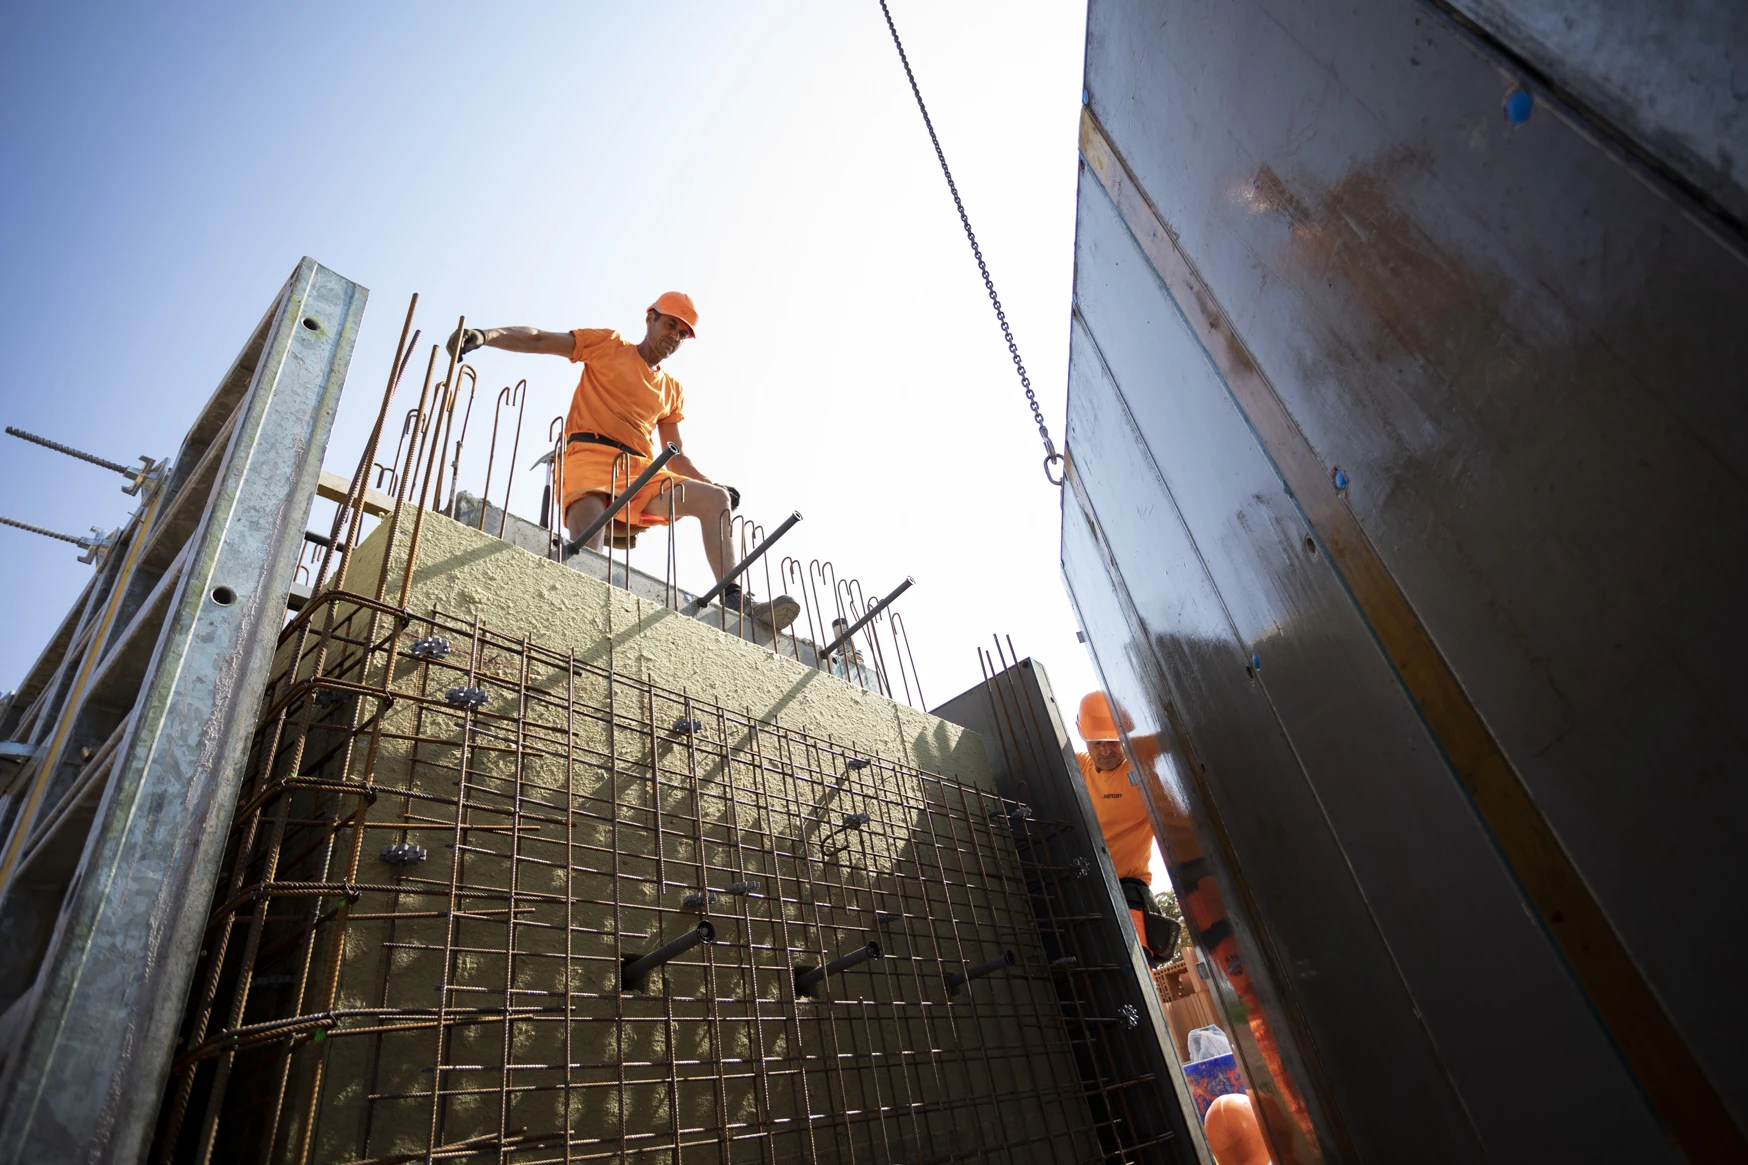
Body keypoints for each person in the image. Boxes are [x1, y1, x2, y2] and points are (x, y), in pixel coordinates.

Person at [448, 293, 797, 629]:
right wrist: (484, 336)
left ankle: (736, 597)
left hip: (640, 473)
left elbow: (677, 457)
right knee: (587, 549)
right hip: (588, 457)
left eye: (682, 333)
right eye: (671, 325)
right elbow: (539, 339)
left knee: (715, 500)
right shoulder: (608, 346)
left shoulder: (672, 390)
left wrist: (713, 485)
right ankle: (578, 601)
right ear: (651, 317)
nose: (674, 336)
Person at [1075, 691, 1181, 965]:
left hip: (1127, 891)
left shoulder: (1137, 768)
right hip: (1088, 890)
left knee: (1136, 972)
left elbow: (1171, 737)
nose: (1105, 750)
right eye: (1096, 743)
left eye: (1112, 741)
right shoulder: (1081, 767)